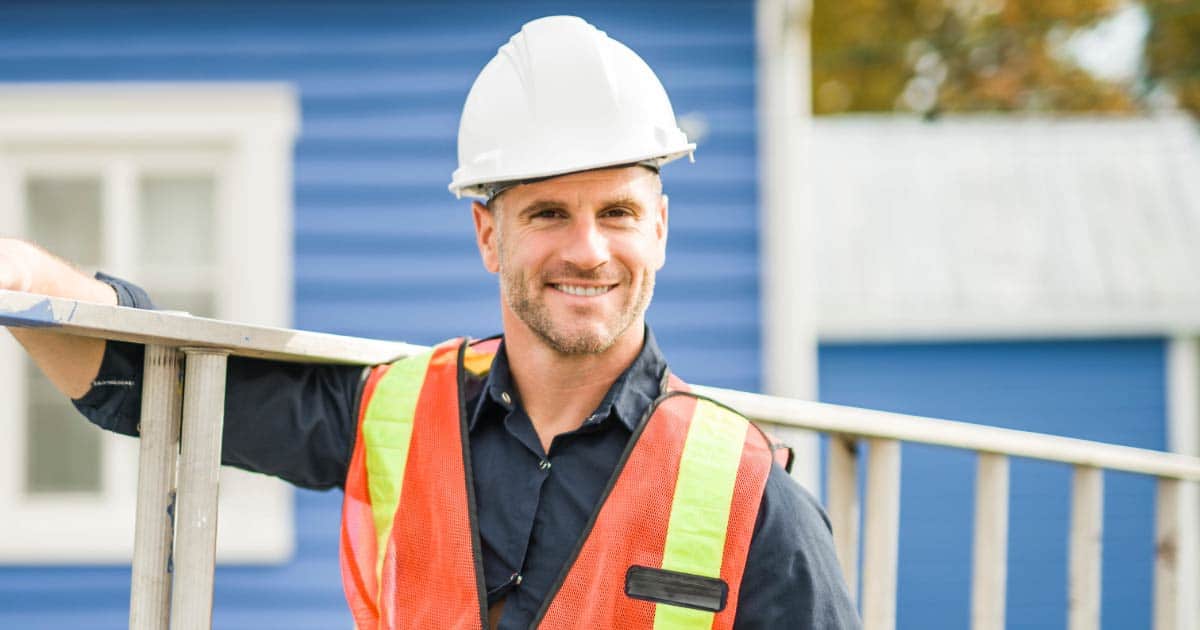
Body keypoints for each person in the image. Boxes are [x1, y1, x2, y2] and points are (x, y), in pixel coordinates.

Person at [1, 15, 860, 630]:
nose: (591, 249)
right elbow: (159, 389)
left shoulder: (753, 497)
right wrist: (30, 278)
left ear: (661, 228)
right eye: (550, 213)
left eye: (619, 212)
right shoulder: (394, 416)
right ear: (489, 234)